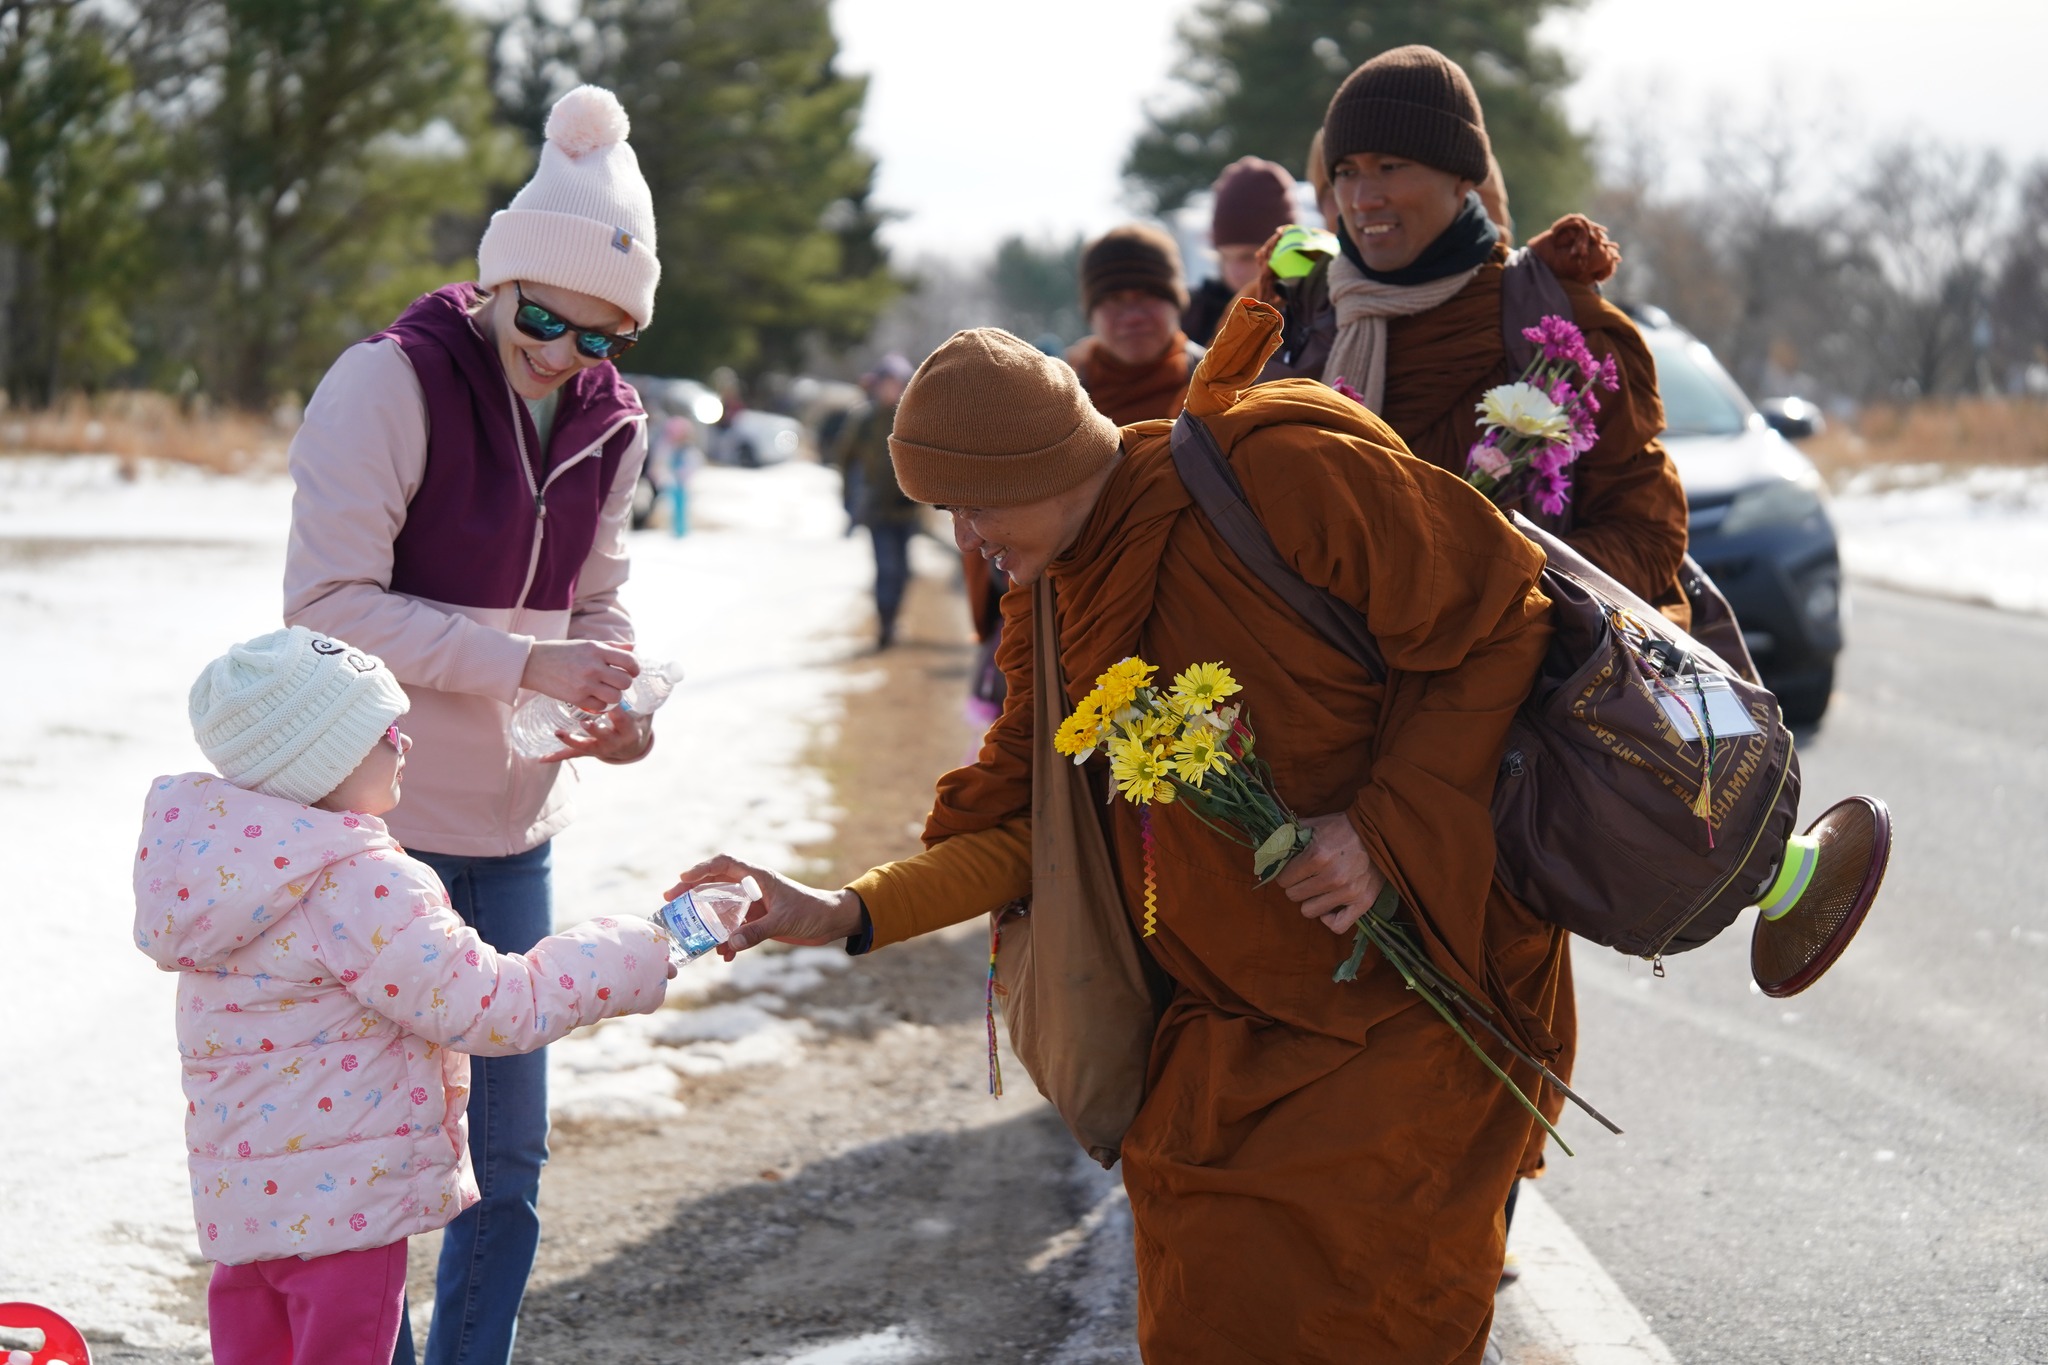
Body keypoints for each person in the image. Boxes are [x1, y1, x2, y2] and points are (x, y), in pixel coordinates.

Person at [673, 302, 1573, 1363]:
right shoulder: (1050, 593)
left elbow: (1503, 618)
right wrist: (840, 910)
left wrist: (1377, 827)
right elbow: (1022, 824)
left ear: (1034, 469)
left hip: (1406, 1004)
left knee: (1379, 1329)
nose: (963, 539)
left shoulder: (1276, 475)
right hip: (1215, 1051)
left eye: (969, 506)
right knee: (1199, 1328)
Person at [281, 83, 662, 1365]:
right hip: (368, 829)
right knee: (381, 1159)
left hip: (515, 834)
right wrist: (521, 665)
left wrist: (610, 701)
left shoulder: (616, 424)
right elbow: (325, 606)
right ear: (497, 281)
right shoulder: (385, 383)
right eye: (541, 317)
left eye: (598, 336)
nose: (559, 353)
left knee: (506, 1162)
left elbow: (597, 608)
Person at [136, 626, 672, 1365]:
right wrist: (630, 950)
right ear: (322, 759)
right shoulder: (358, 880)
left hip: (245, 1216)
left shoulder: (221, 874)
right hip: (342, 1213)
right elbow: (489, 1004)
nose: (408, 742)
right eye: (388, 730)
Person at [1257, 45, 1689, 615]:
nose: (1363, 198)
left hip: (1511, 679)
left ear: (1463, 178)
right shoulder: (1297, 317)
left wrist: (1501, 597)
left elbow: (1647, 532)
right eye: (1346, 172)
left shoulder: (1558, 328)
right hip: (1317, 685)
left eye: (1390, 167)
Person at [1065, 224, 1206, 425]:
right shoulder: (1056, 400)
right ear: (1090, 313)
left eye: (1148, 296)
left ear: (1177, 303)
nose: (1133, 317)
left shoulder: (1223, 388)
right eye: (1114, 299)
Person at [833, 354, 919, 647]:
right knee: (887, 568)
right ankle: (885, 627)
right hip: (878, 511)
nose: (891, 390)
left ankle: (893, 619)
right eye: (887, 383)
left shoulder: (912, 417)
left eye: (898, 384)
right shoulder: (864, 420)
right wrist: (848, 499)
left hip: (906, 511)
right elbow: (845, 459)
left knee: (904, 572)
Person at [1183, 157, 1299, 346]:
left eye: (1249, 257)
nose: (1235, 271)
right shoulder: (1196, 319)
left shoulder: (1312, 314)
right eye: (1225, 257)